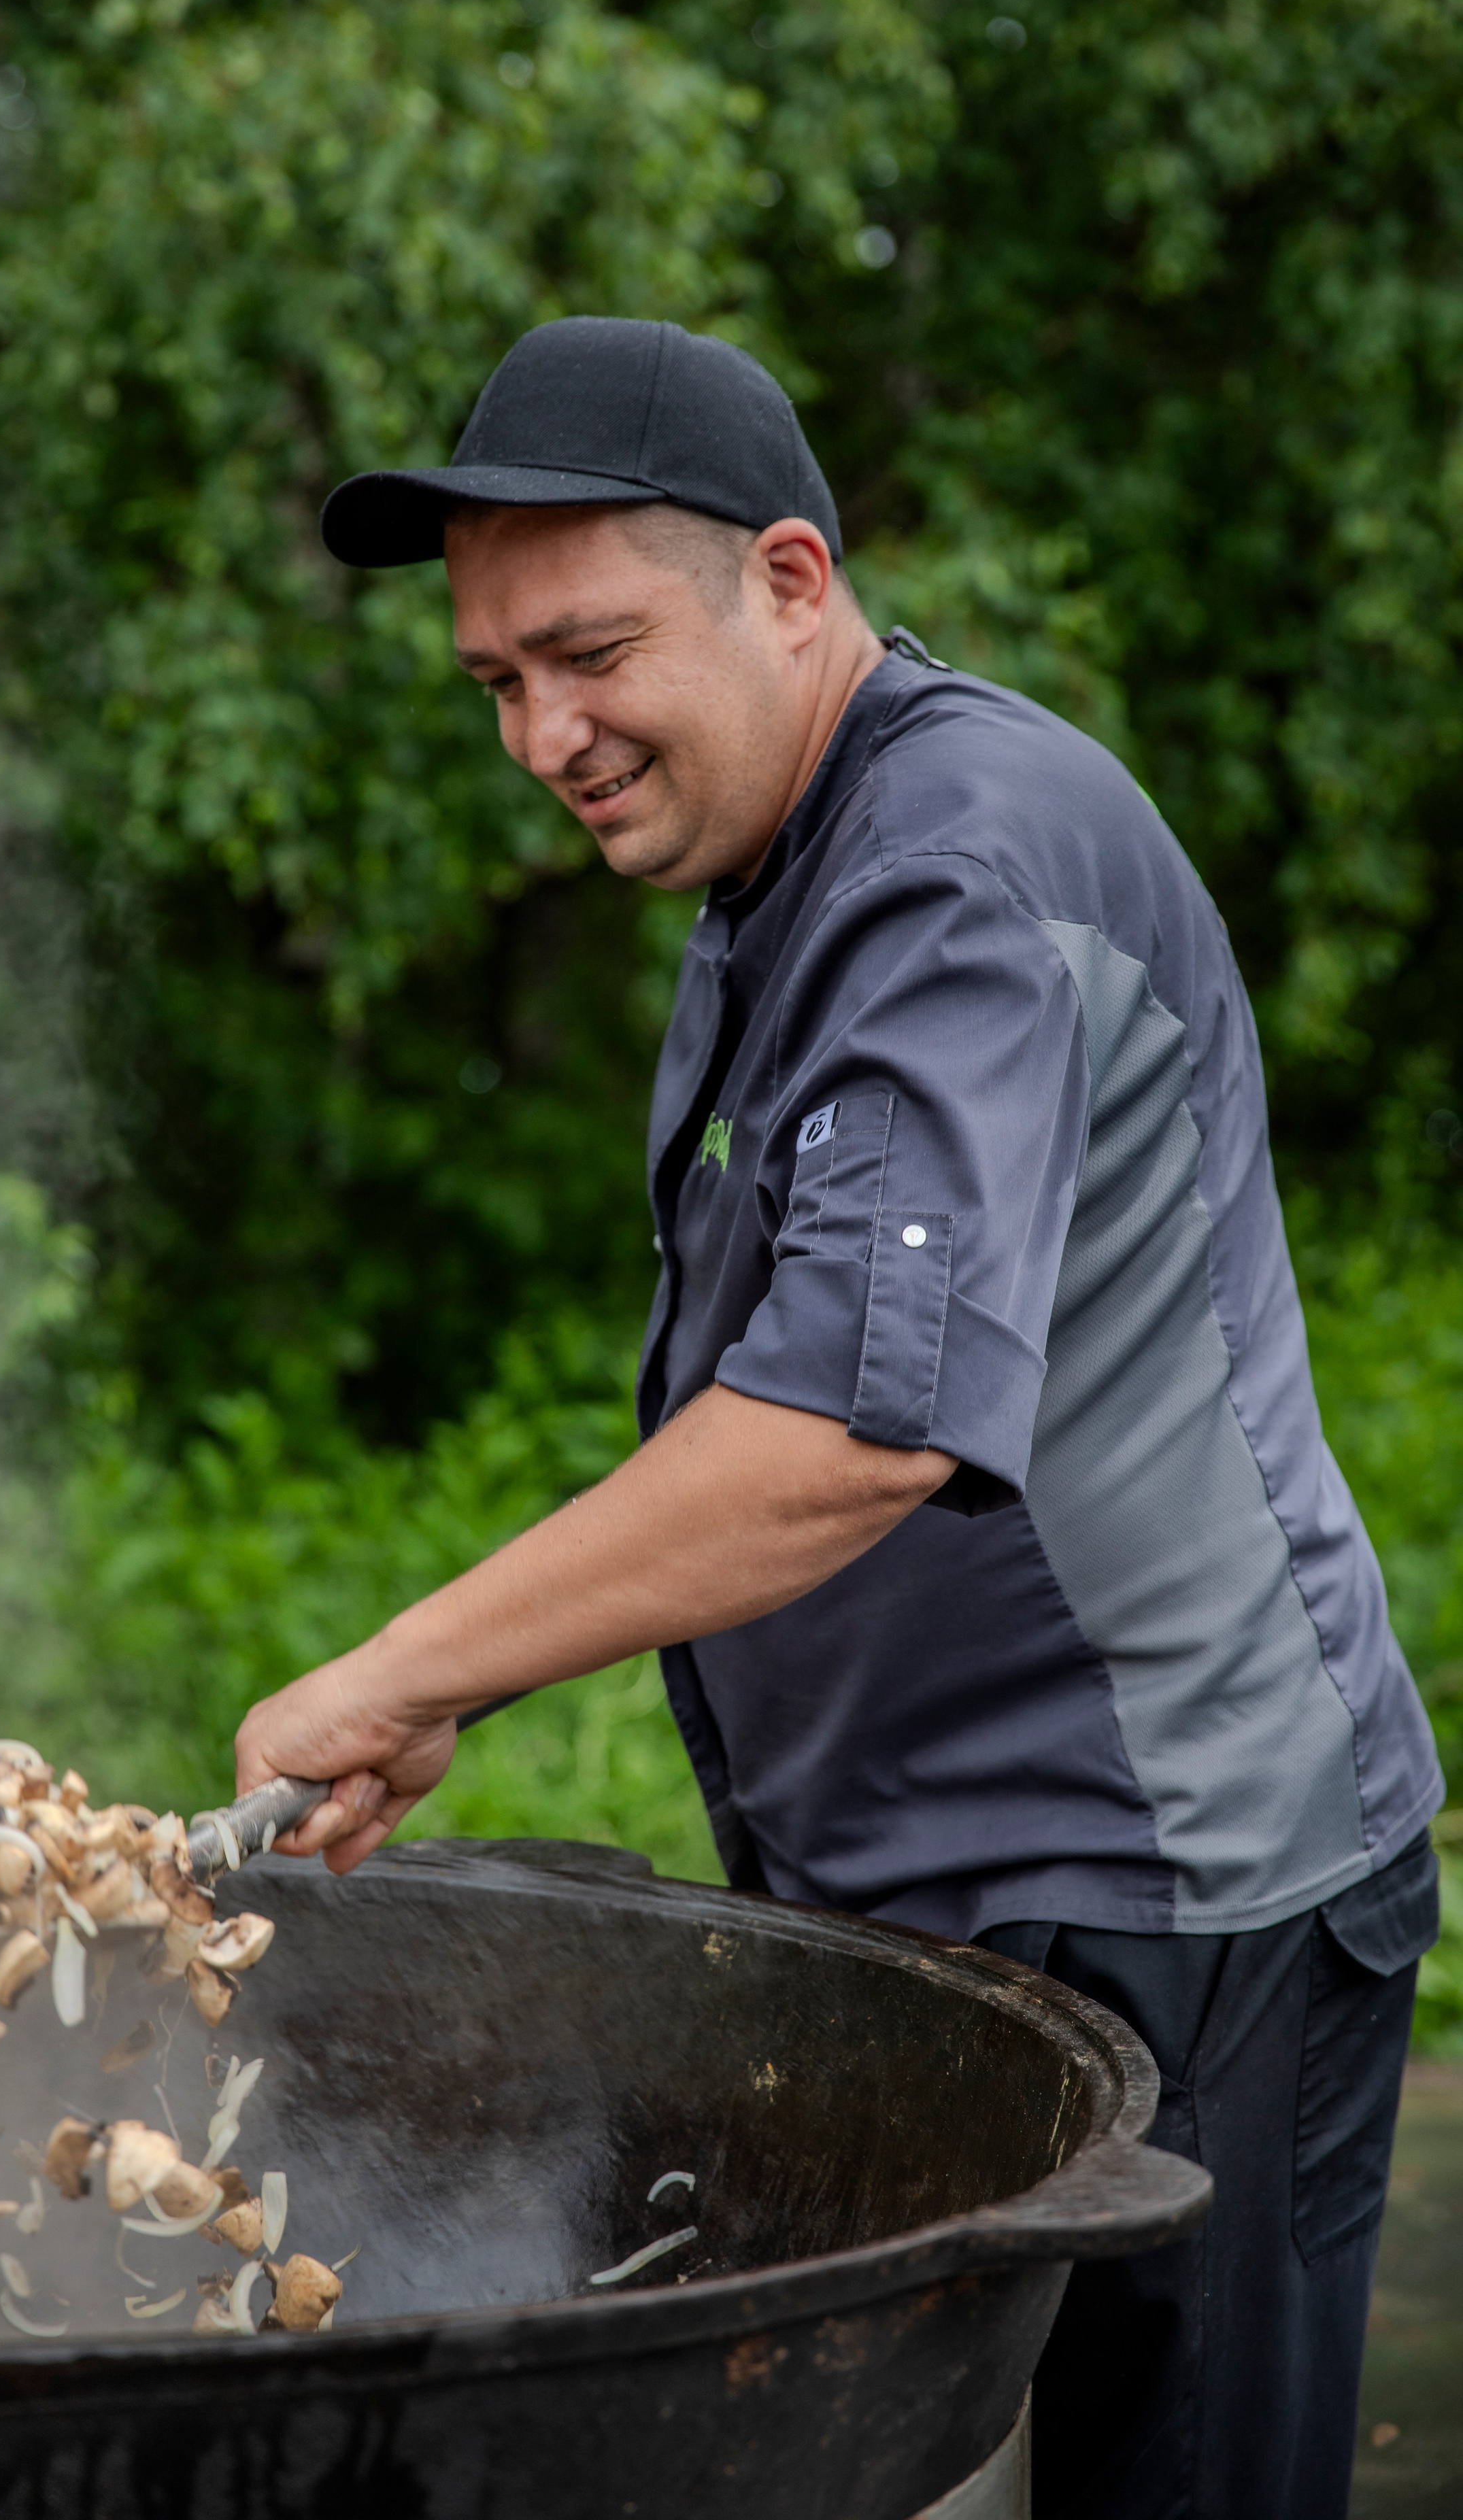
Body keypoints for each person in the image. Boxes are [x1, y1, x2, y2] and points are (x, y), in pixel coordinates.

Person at [233, 316, 1443, 2517]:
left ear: (791, 582)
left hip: (1177, 1880)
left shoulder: (953, 868)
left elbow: (845, 1432)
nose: (542, 735)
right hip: (938, 1875)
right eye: (496, 680)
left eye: (589, 654)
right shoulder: (785, 855)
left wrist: (408, 1674)